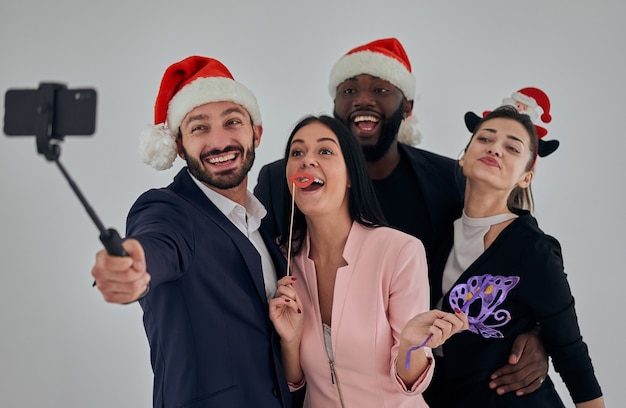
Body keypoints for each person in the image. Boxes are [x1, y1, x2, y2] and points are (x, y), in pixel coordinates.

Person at [254, 37, 549, 398]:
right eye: (349, 90)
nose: (363, 99)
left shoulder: (446, 180)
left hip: (441, 376)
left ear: (406, 106)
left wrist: (537, 329)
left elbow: (512, 242)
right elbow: (257, 273)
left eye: (380, 88)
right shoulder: (281, 182)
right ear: (335, 107)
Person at [90, 56, 292, 408]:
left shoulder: (263, 221)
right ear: (179, 145)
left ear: (256, 133)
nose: (219, 141)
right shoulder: (168, 209)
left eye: (232, 122)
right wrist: (133, 263)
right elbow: (156, 244)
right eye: (199, 127)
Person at [267, 114, 468, 407]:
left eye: (325, 151)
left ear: (351, 175)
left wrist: (411, 345)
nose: (307, 160)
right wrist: (290, 341)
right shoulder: (283, 258)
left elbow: (409, 385)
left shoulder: (399, 251)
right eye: (297, 152)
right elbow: (295, 382)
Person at [423, 105, 604, 407]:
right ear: (463, 157)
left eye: (512, 147)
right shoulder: (437, 227)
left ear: (525, 177)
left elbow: (570, 352)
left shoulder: (532, 249)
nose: (495, 148)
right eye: (485, 139)